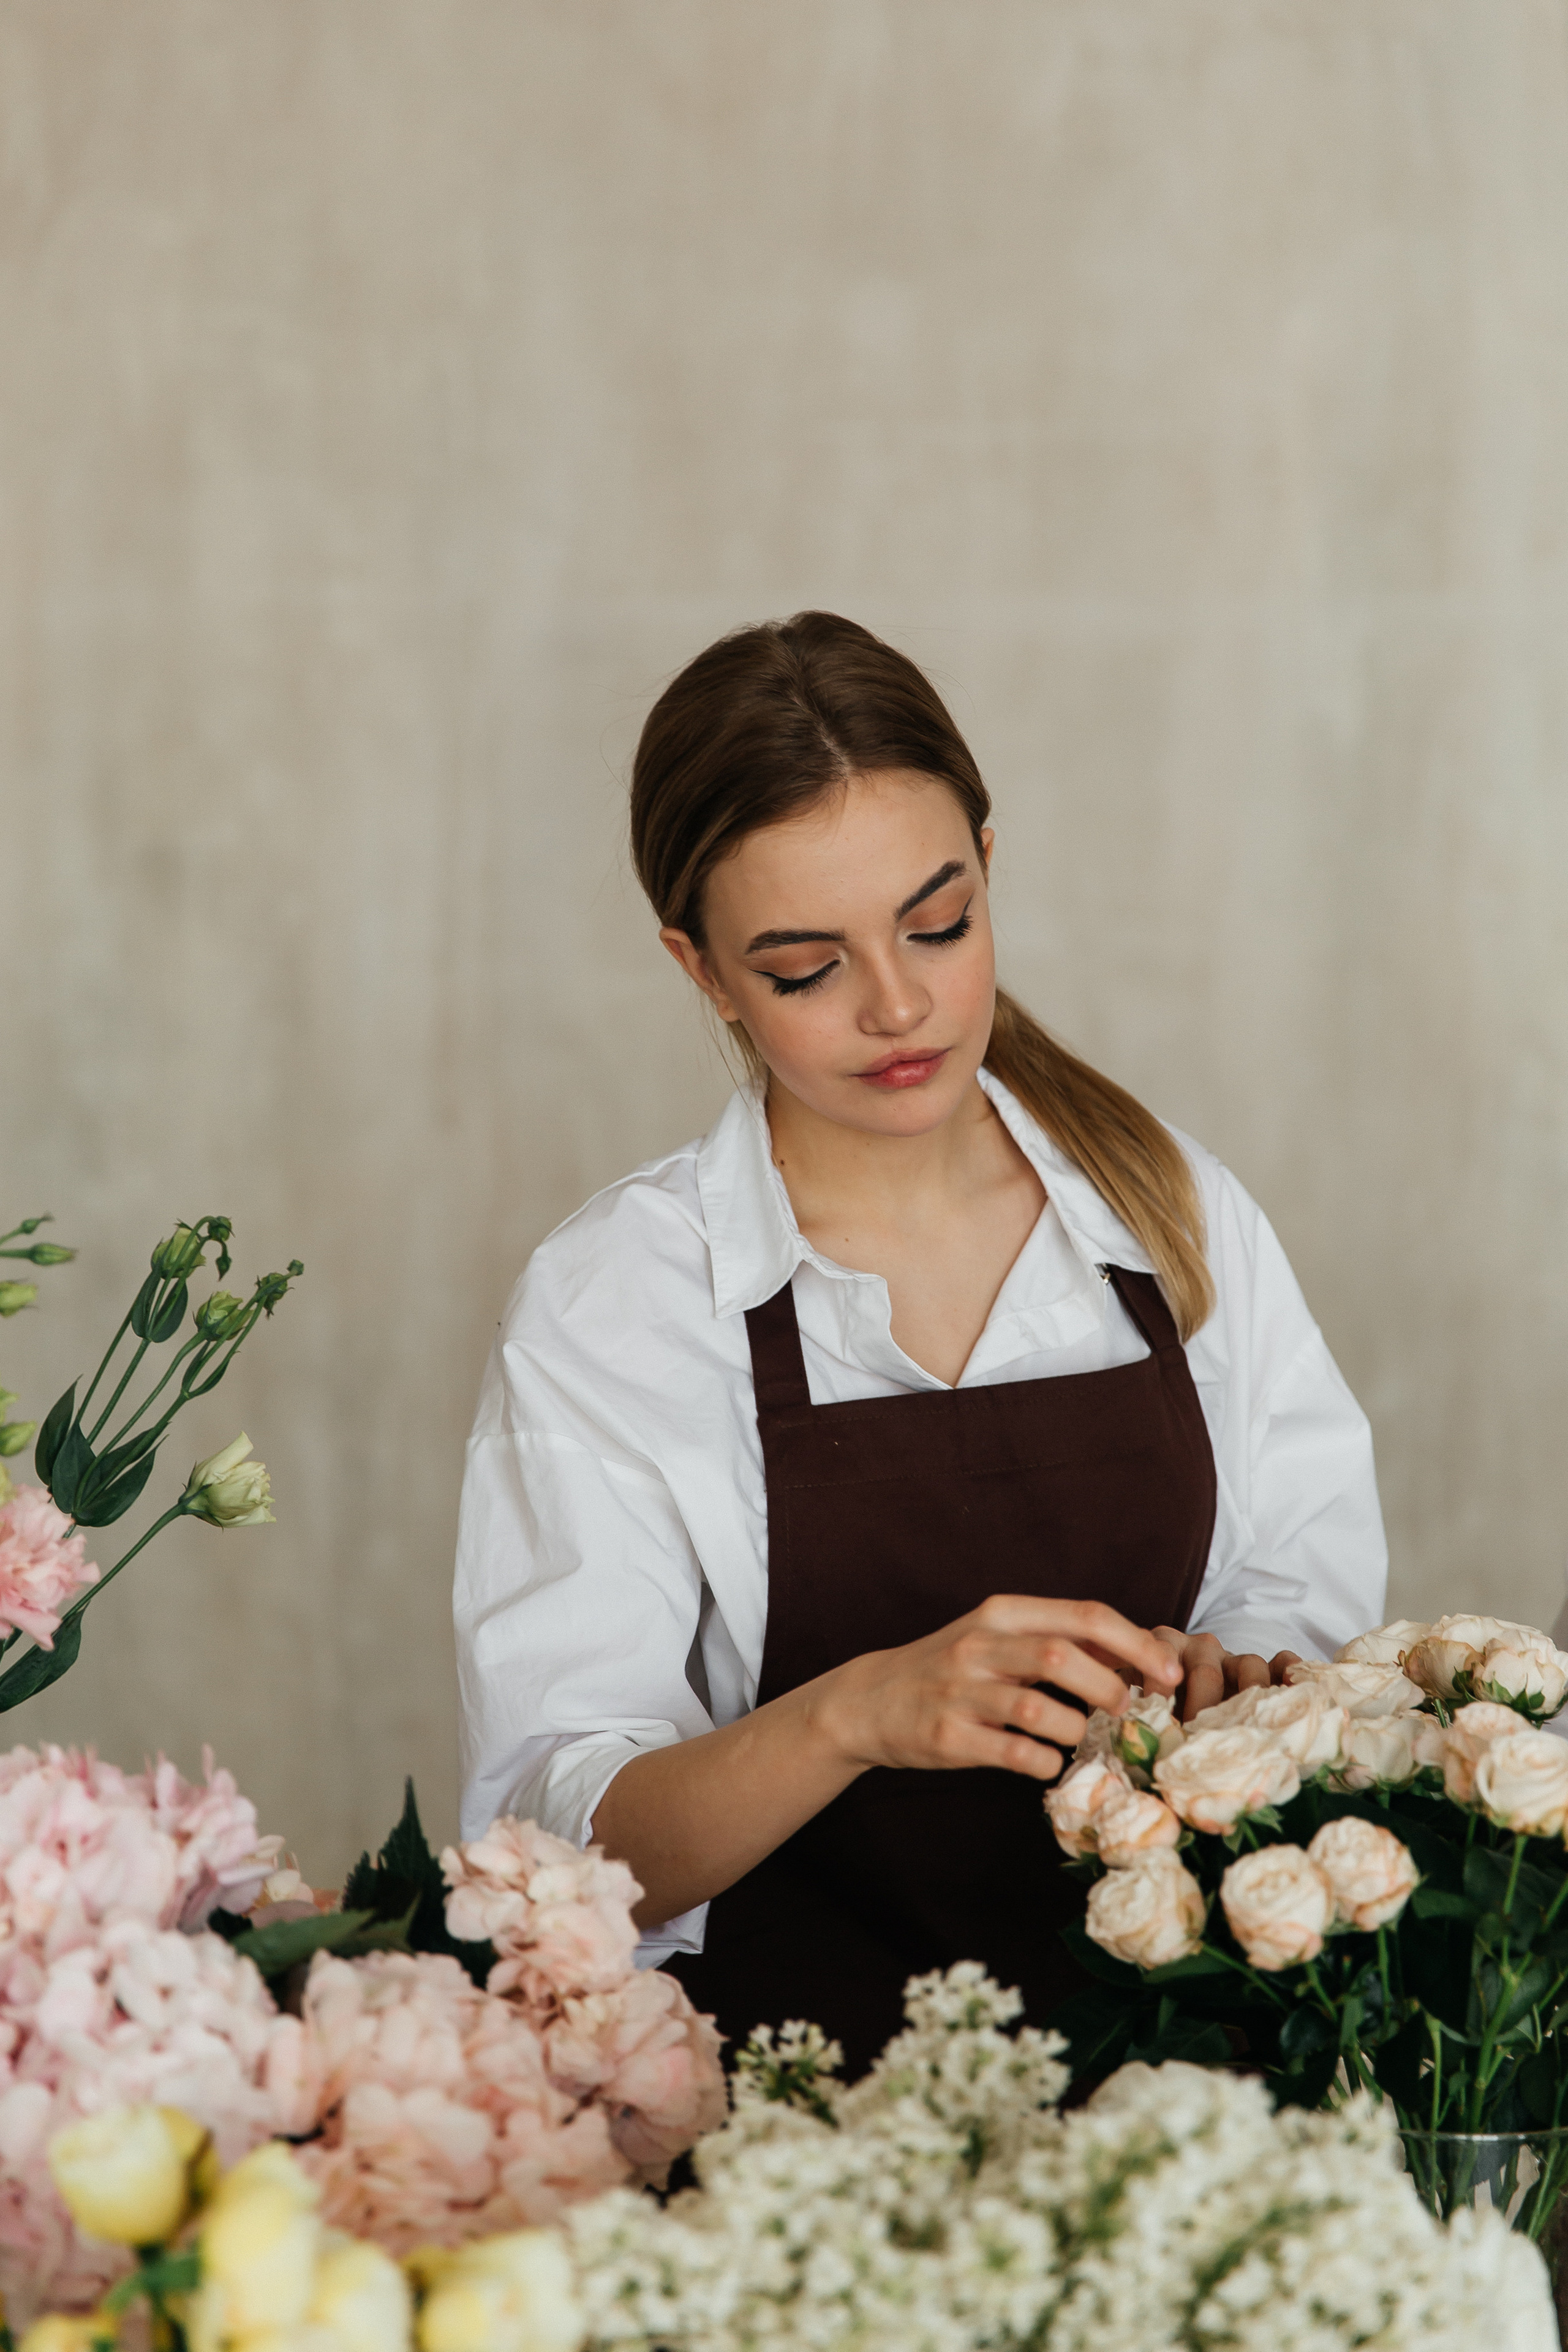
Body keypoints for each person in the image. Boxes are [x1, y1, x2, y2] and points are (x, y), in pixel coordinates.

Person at [454, 612, 1387, 2076]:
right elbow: (558, 1843)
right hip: (793, 2124)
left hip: (1191, 2094)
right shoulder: (617, 1300)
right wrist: (856, 1714)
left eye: (935, 924)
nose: (896, 1005)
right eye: (801, 966)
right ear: (700, 973)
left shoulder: (1172, 1213)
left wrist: (1250, 1685)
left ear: (989, 873)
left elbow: (1302, 1603)